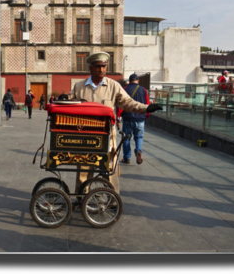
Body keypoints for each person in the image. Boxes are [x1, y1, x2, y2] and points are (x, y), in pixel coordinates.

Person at [57, 52, 162, 207]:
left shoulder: (113, 86)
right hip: (86, 136)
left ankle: (113, 200)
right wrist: (64, 98)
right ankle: (81, 197)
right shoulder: (79, 86)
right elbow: (70, 101)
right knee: (84, 167)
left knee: (110, 168)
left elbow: (128, 103)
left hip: (107, 137)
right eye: (98, 67)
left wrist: (147, 108)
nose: (102, 70)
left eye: (104, 66)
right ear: (91, 68)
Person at [116, 73, 150, 165]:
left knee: (126, 138)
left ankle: (126, 158)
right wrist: (146, 115)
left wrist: (118, 117)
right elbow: (147, 104)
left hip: (127, 117)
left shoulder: (125, 89)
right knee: (139, 136)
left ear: (129, 81)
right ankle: (138, 151)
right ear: (138, 81)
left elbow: (120, 104)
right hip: (140, 118)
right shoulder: (143, 90)